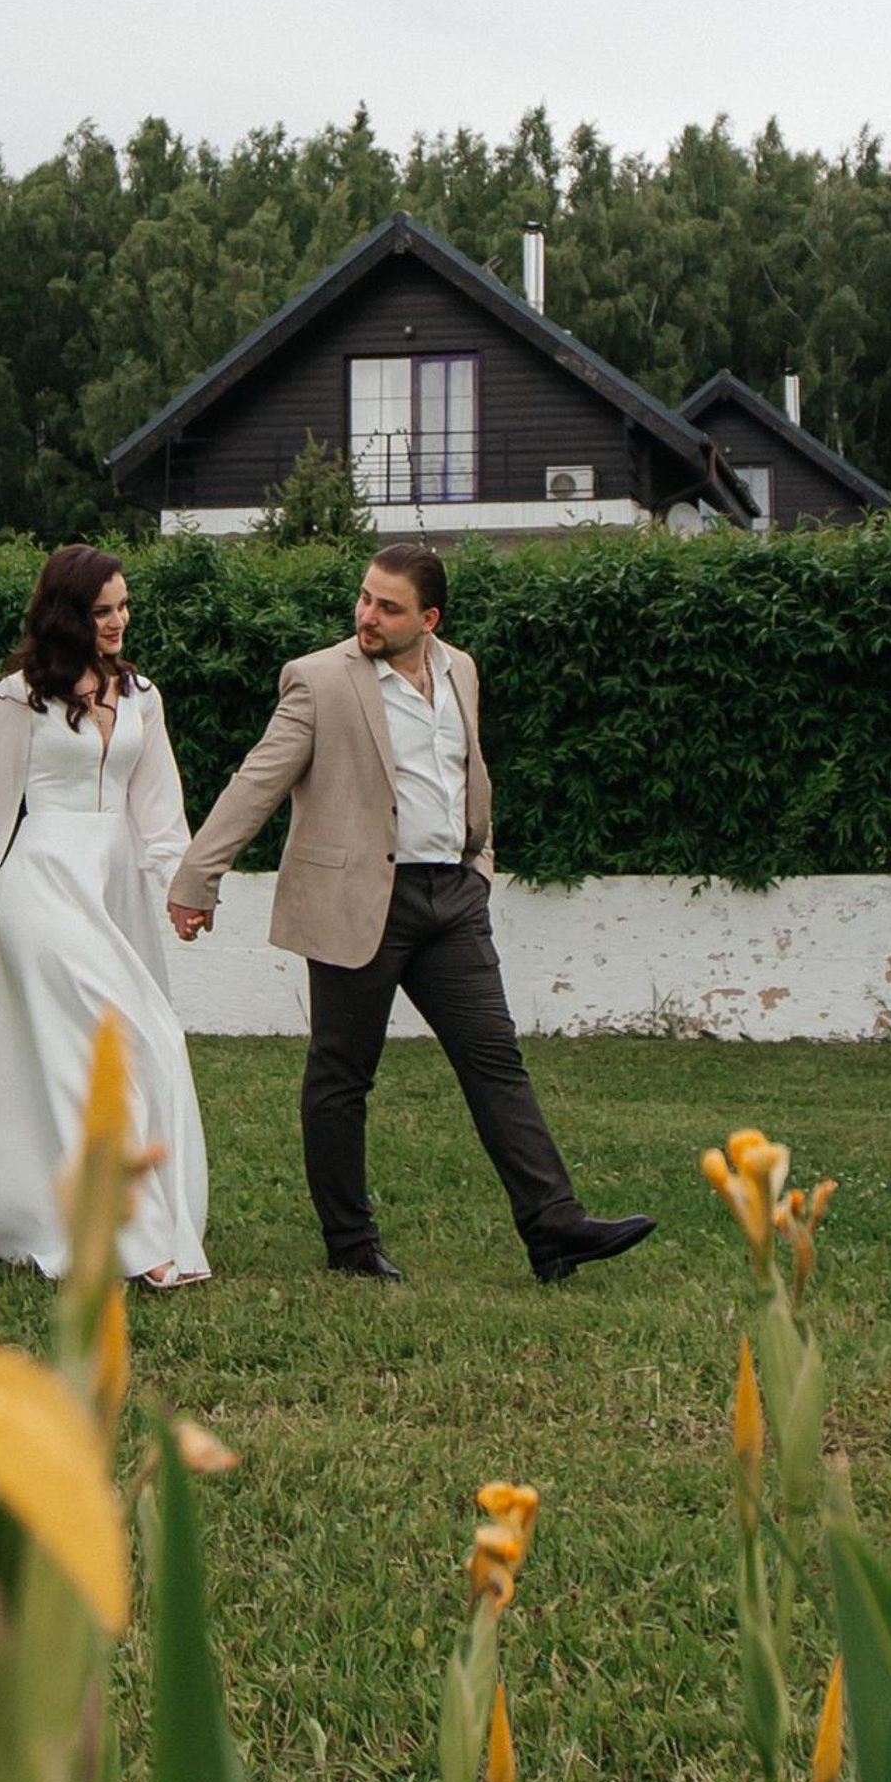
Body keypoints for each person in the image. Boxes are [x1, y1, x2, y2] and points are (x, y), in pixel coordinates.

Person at [167, 542, 656, 1287]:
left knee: (495, 1061)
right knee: (342, 1073)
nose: (367, 615)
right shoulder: (320, 680)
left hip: (452, 900)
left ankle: (553, 1227)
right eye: (365, 598)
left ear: (427, 619)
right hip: (361, 901)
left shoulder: (460, 668)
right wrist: (198, 878)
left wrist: (478, 862)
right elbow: (257, 780)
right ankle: (351, 1246)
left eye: (387, 607)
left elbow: (466, 770)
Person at [0, 543, 209, 1286]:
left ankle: (97, 1214)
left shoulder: (143, 696)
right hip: (40, 888)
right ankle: (132, 1239)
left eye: (125, 606)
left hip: (113, 891)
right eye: (102, 611)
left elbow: (160, 813)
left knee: (153, 1041)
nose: (119, 621)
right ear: (68, 615)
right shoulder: (20, 696)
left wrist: (184, 889)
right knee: (101, 1050)